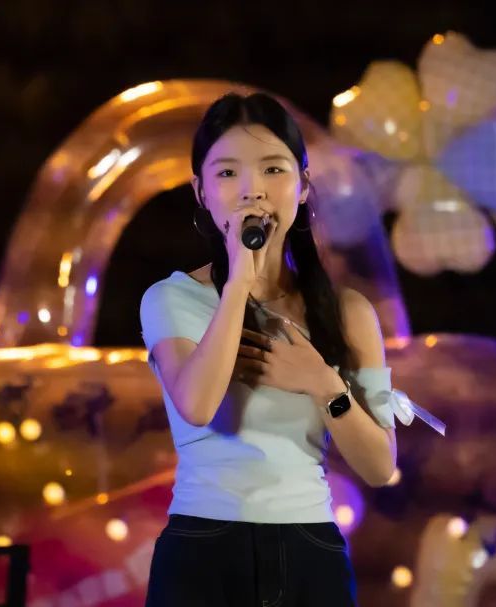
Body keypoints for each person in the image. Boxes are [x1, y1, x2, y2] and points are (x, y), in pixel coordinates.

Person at [139, 92, 402, 606]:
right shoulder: (172, 298)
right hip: (203, 545)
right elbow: (197, 405)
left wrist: (322, 382)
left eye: (273, 169)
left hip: (308, 548)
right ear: (200, 192)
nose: (252, 190)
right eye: (227, 173)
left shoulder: (348, 312)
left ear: (302, 186)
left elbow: (379, 466)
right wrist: (239, 283)